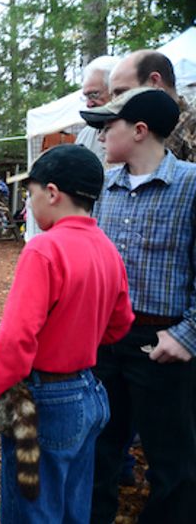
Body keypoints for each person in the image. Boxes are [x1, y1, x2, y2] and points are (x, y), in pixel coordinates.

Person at [0, 144, 134, 524]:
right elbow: (120, 323)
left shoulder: (44, 250)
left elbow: (17, 337)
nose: (28, 205)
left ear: (52, 192)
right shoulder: (107, 249)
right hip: (90, 393)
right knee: (72, 507)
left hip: (46, 402)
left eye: (30, 195)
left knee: (32, 511)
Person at [80, 87, 196, 524]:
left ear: (140, 131)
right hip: (106, 340)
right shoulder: (103, 189)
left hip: (162, 344)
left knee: (172, 460)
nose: (102, 137)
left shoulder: (190, 185)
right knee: (100, 445)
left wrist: (187, 334)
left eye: (108, 127)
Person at [109, 49, 195, 162]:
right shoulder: (129, 126)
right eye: (113, 95)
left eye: (121, 92)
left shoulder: (191, 125)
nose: (115, 102)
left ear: (154, 81)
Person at [75, 56, 120, 166]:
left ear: (117, 92)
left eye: (94, 95)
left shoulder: (136, 131)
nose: (88, 104)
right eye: (86, 97)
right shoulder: (85, 135)